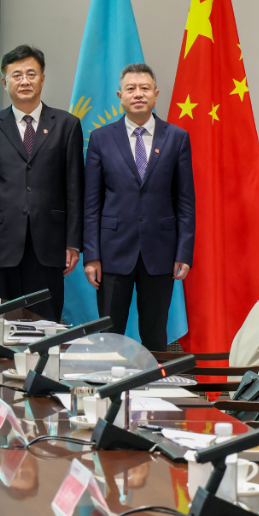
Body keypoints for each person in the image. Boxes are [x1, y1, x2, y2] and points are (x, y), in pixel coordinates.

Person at [83, 63, 194, 351]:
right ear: (120, 95)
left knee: (155, 336)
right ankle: (108, 382)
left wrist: (184, 252)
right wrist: (91, 255)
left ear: (156, 94)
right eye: (131, 88)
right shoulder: (101, 138)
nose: (138, 94)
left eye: (145, 88)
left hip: (160, 251)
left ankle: (154, 381)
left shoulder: (177, 137)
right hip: (112, 251)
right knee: (109, 336)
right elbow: (91, 203)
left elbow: (185, 201)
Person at [0, 45, 84, 320]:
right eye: (16, 75)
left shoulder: (67, 125)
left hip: (49, 243)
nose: (24, 81)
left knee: (46, 324)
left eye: (31, 74)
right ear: (5, 82)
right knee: (4, 324)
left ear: (42, 79)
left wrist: (73, 242)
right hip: (1, 244)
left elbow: (74, 189)